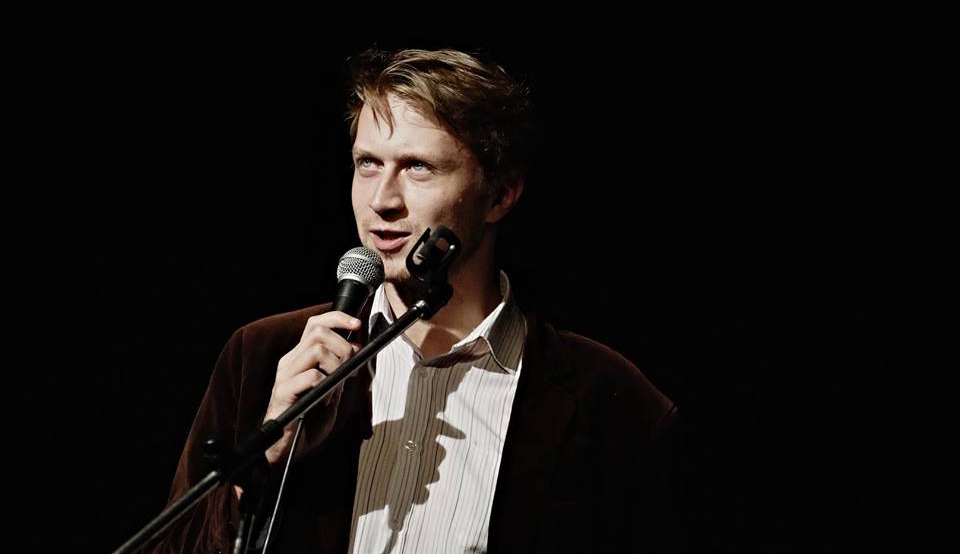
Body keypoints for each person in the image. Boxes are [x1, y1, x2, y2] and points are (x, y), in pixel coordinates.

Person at [149, 48, 681, 554]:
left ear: (500, 194)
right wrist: (263, 462)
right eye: (367, 163)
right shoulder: (264, 355)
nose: (382, 200)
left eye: (418, 167)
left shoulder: (608, 400)